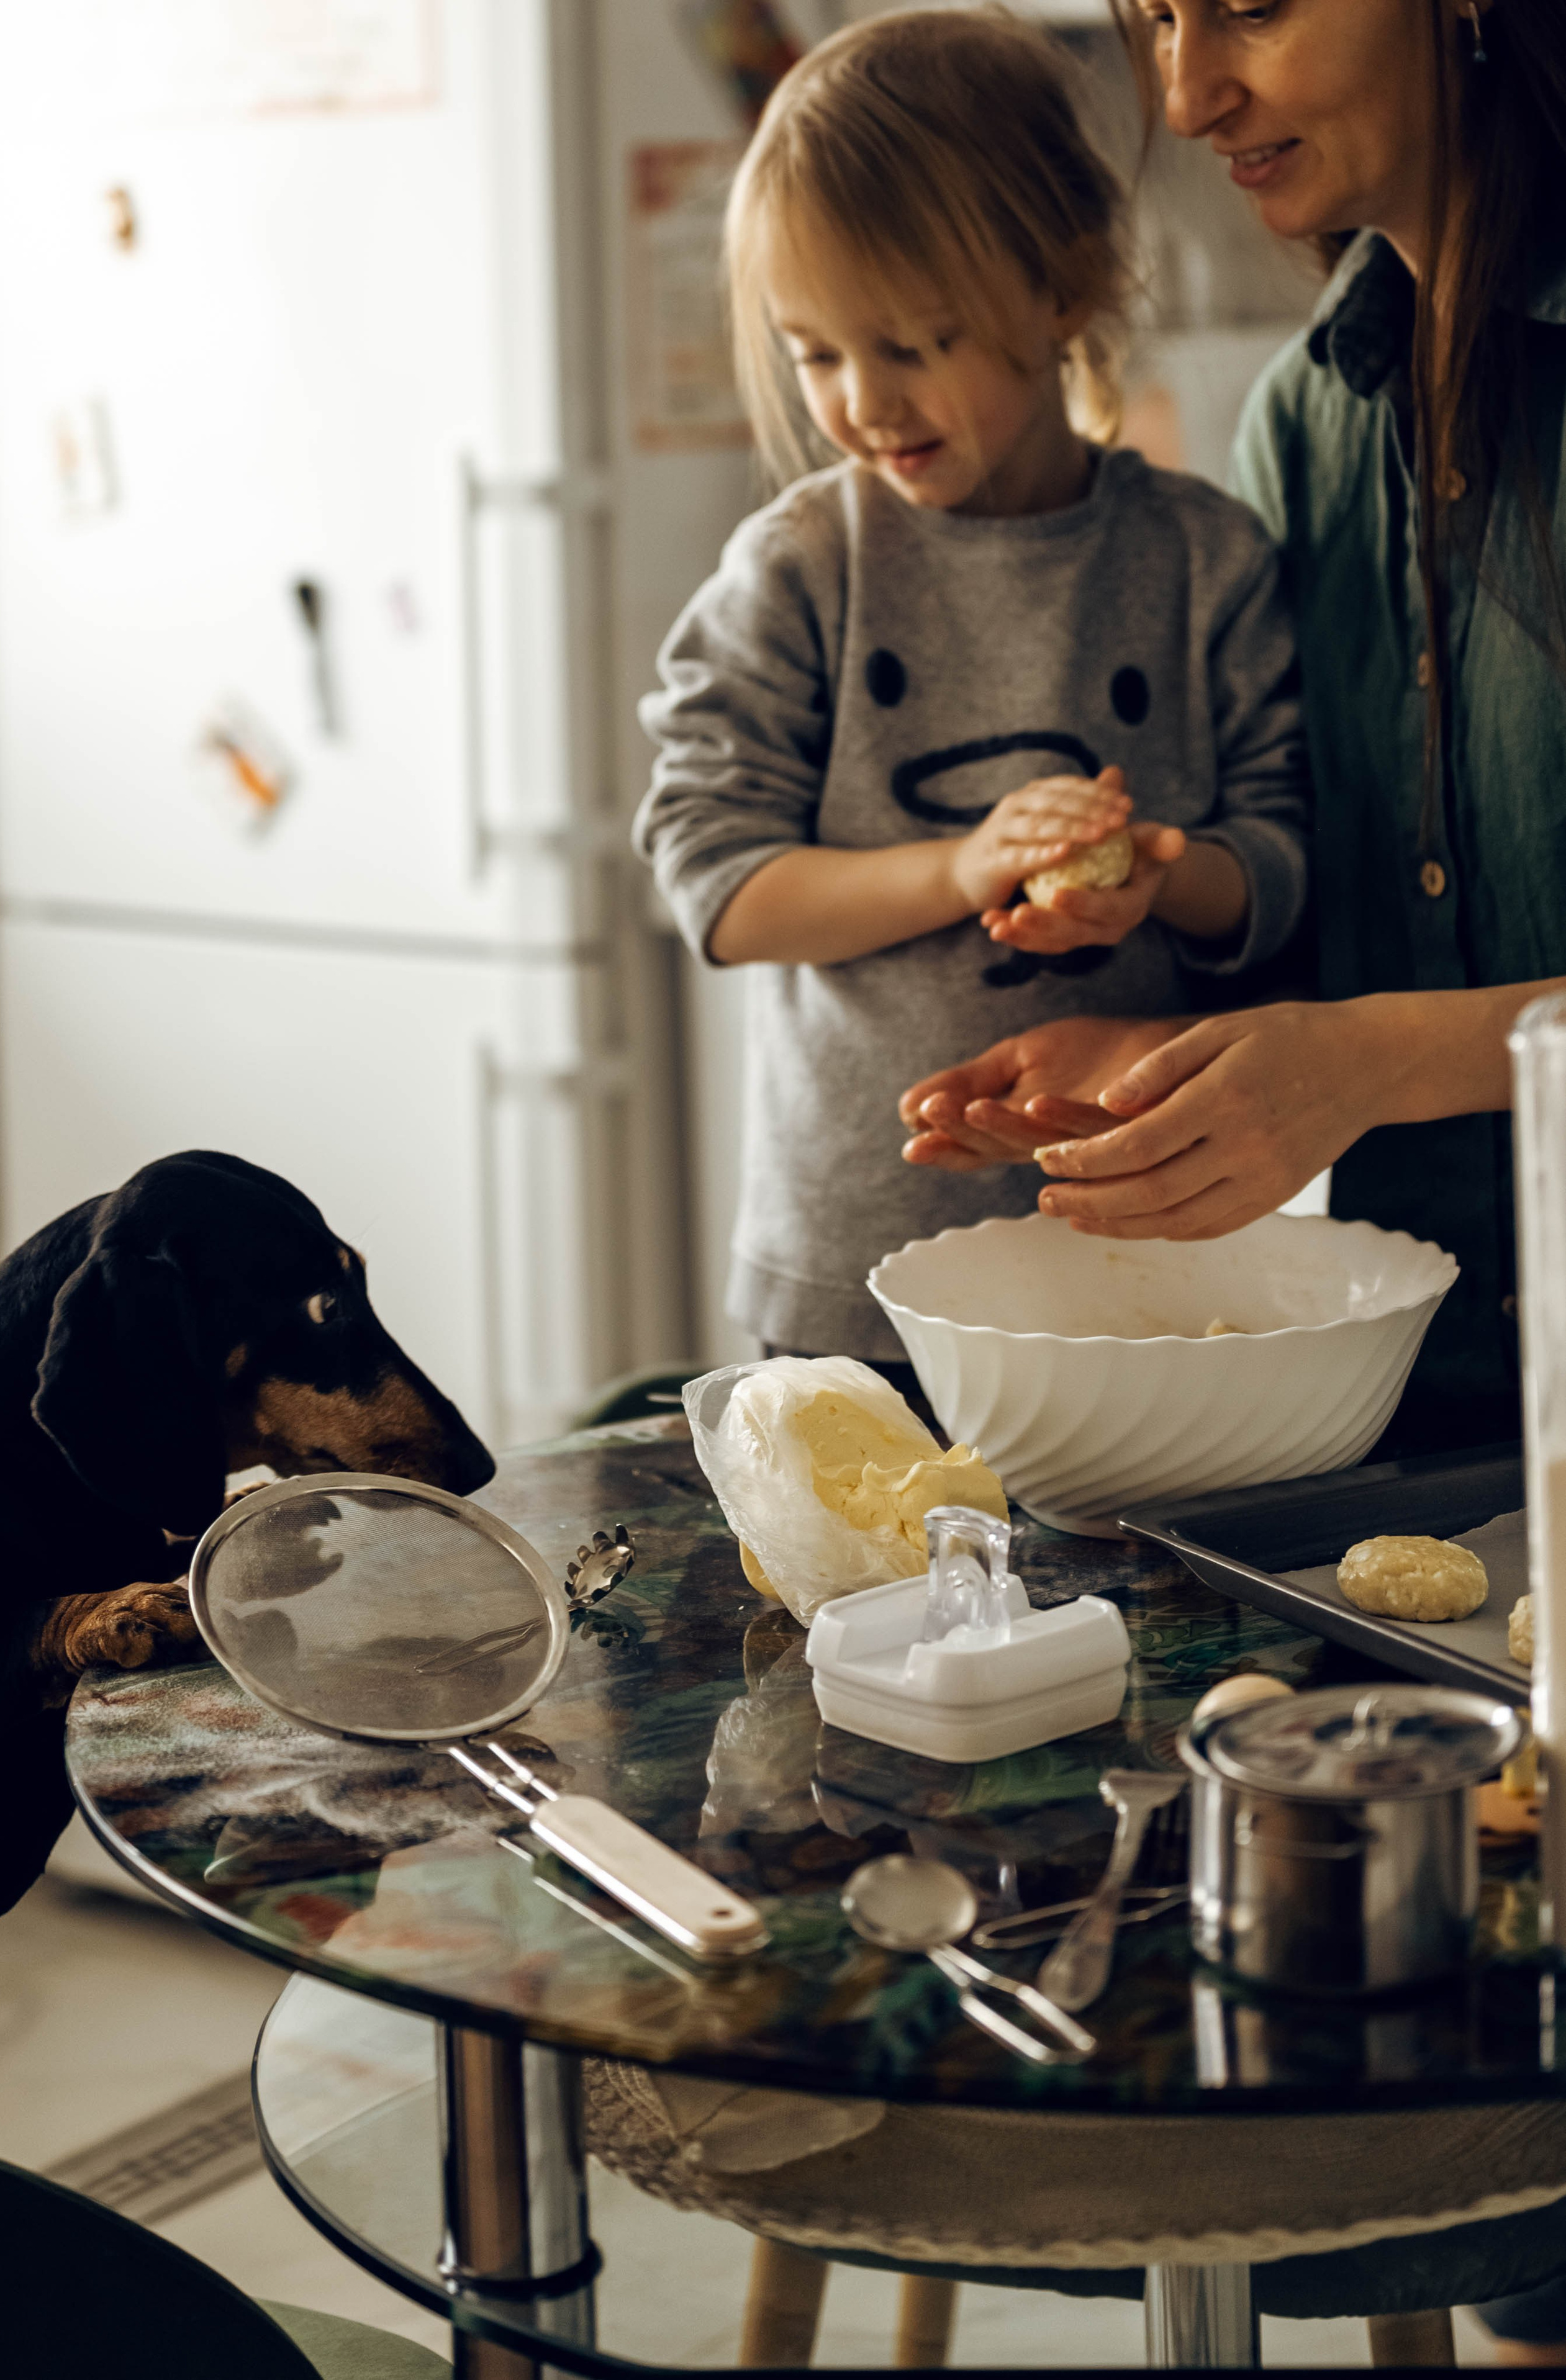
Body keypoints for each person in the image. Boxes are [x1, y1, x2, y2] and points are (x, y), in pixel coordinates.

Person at [901, 0, 1566, 1481]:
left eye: (1250, 6)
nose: (1185, 97)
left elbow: (1377, 1044)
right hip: (1426, 1420)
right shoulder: (1300, 429)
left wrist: (1375, 1062)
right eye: (1154, 20)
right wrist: (1163, 1062)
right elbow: (1341, 930)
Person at [634, 7, 1309, 1382]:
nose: (864, 403)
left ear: (1063, 288)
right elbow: (717, 881)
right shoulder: (803, 568)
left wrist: (1165, 877)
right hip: (855, 1271)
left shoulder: (1203, 560)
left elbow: (1284, 865)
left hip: (1142, 1250)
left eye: (914, 342)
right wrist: (963, 865)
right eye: (816, 353)